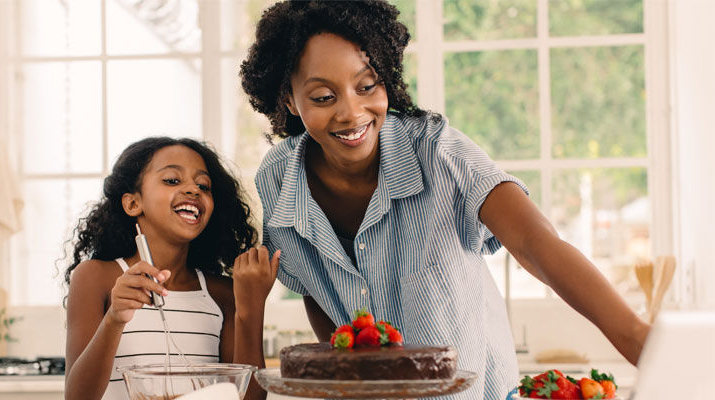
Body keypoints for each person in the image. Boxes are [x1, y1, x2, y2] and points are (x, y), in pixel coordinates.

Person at [238, 1, 650, 399]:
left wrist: (635, 337)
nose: (352, 112)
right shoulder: (278, 179)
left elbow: (536, 245)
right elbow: (318, 287)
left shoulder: (440, 153)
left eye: (367, 86)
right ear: (289, 100)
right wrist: (351, 373)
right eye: (323, 97)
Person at [63, 137, 278, 400]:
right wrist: (115, 318)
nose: (193, 190)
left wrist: (251, 308)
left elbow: (249, 398)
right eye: (172, 180)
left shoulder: (222, 292)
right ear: (133, 203)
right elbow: (77, 397)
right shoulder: (95, 277)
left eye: (204, 185)